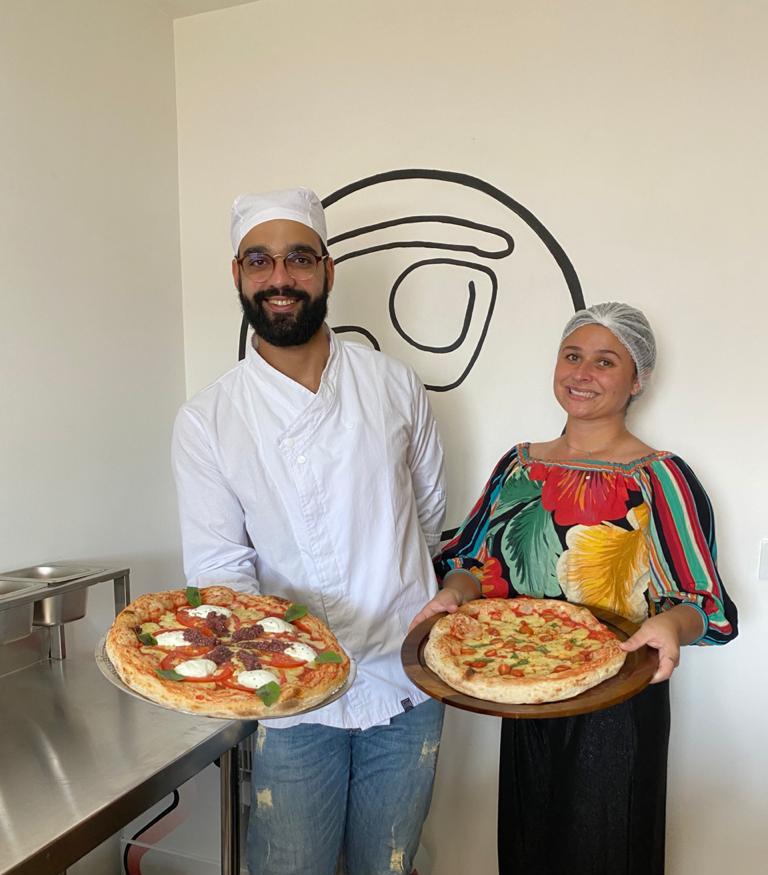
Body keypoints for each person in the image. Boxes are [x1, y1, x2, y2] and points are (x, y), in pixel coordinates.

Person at [172, 187, 447, 875]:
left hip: (405, 677)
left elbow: (428, 515)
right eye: (259, 260)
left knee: (389, 864)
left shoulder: (395, 385)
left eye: (299, 258)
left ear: (327, 270)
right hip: (291, 700)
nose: (280, 277)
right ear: (237, 275)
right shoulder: (208, 420)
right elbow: (220, 572)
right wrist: (293, 659)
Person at [411, 302, 738, 875]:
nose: (582, 373)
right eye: (572, 356)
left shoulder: (661, 476)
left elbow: (700, 601)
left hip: (620, 697)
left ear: (637, 380)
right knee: (528, 845)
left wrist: (669, 625)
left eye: (605, 361)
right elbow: (473, 562)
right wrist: (455, 594)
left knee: (607, 849)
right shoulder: (519, 465)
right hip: (522, 681)